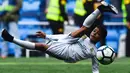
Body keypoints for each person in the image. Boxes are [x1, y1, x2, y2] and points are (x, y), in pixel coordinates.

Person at [1, 1, 118, 73]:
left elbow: (95, 68)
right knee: (83, 29)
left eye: (97, 34)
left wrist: (47, 38)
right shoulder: (84, 38)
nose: (94, 33)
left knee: (42, 46)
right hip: (68, 44)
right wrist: (47, 36)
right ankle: (100, 10)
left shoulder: (95, 52)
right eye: (94, 30)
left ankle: (12, 39)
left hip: (67, 54)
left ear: (100, 38)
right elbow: (64, 37)